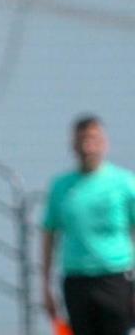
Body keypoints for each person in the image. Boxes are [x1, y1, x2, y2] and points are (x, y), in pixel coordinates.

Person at [41, 115, 135, 335]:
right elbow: (49, 234)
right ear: (73, 144)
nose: (88, 146)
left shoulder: (124, 183)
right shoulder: (61, 187)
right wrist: (45, 285)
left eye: (93, 139)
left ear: (104, 142)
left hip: (115, 277)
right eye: (82, 139)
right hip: (76, 280)